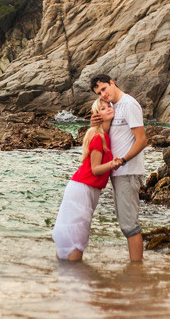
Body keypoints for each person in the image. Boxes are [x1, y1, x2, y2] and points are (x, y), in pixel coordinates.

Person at [52, 97, 121, 261]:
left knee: (75, 234)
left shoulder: (104, 135)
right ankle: (75, 279)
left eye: (109, 106)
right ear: (97, 115)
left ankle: (65, 275)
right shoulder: (98, 137)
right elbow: (96, 170)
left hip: (86, 188)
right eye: (103, 108)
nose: (109, 108)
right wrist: (112, 164)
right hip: (82, 189)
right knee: (77, 237)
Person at [89, 73, 148, 263]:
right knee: (125, 224)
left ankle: (137, 270)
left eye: (104, 89)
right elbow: (105, 135)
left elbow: (142, 140)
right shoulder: (112, 107)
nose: (103, 94)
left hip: (128, 171)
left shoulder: (129, 104)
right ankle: (135, 266)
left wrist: (123, 159)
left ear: (112, 83)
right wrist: (94, 125)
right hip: (117, 171)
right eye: (99, 93)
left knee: (130, 224)